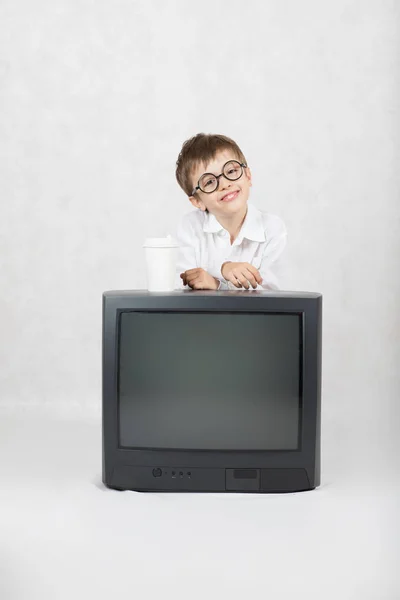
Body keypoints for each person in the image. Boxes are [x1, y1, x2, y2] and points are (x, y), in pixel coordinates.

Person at [175, 133, 287, 291]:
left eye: (231, 171)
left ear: (248, 175)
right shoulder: (191, 226)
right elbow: (181, 285)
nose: (225, 184)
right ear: (197, 201)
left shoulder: (272, 228)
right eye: (209, 182)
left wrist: (218, 282)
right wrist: (222, 271)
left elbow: (271, 296)